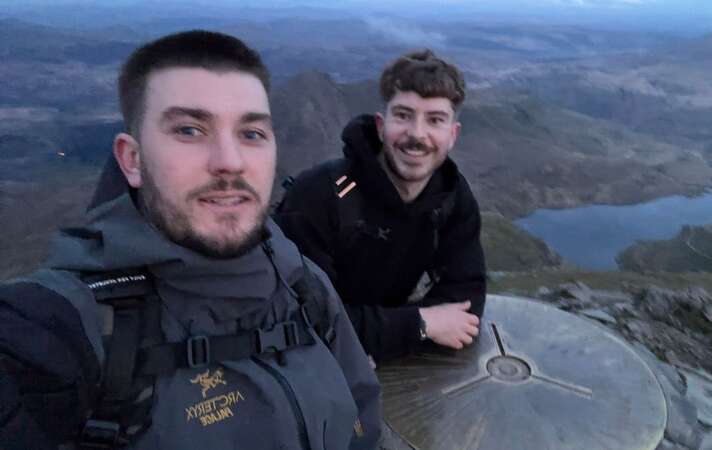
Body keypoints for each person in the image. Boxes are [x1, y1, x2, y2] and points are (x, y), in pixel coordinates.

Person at [0, 30, 380, 450]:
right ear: (132, 159)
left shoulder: (304, 284)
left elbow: (363, 421)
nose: (229, 162)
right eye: (189, 130)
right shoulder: (59, 329)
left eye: (251, 134)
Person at [274, 49, 486, 363]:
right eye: (403, 115)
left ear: (452, 134)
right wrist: (418, 325)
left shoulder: (450, 195)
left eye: (435, 120)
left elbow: (466, 300)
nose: (417, 134)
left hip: (382, 360)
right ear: (380, 125)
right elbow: (302, 319)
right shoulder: (316, 197)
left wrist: (388, 336)